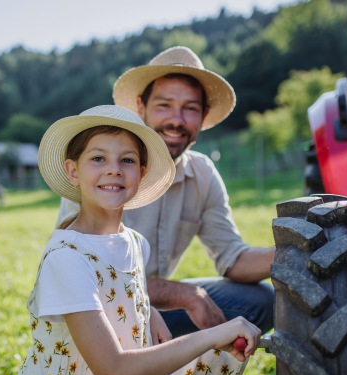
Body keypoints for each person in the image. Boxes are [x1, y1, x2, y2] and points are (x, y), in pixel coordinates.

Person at [12, 105, 261, 375]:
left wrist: (150, 311)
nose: (114, 168)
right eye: (98, 158)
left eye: (127, 160)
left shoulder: (134, 242)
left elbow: (118, 292)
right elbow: (115, 374)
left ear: (141, 174)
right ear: (73, 171)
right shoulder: (67, 258)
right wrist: (210, 336)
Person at [57, 47, 275, 338]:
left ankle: (168, 361)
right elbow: (91, 274)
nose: (177, 120)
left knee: (261, 301)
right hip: (96, 313)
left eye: (190, 108)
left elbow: (232, 258)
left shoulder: (203, 173)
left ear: (204, 115)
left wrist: (293, 252)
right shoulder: (106, 172)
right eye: (164, 105)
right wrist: (185, 295)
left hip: (152, 306)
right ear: (140, 106)